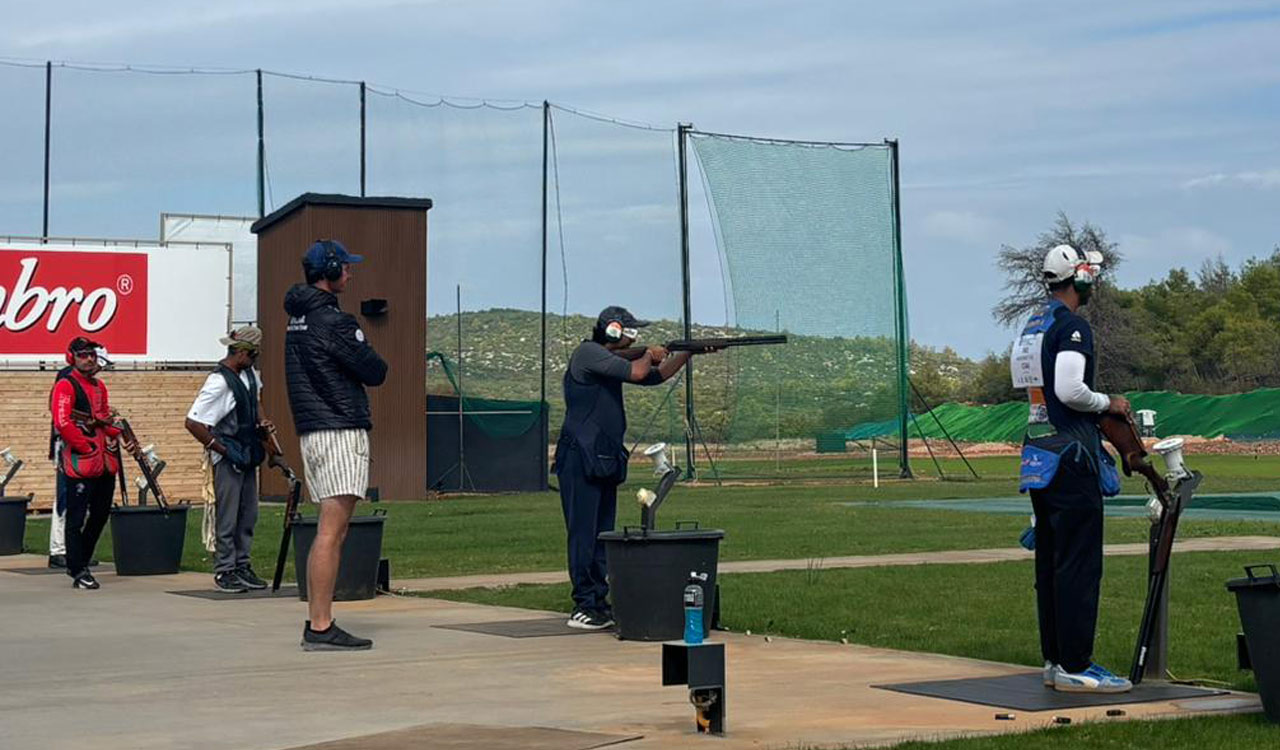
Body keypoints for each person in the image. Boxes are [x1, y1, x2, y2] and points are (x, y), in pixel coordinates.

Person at [1012, 244, 1130, 693]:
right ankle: (1077, 664)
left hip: (1039, 454)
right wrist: (1108, 403)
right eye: (1089, 274)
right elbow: (1070, 389)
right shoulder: (1072, 326)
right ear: (1077, 277)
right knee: (1079, 564)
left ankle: (1055, 660)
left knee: (1051, 562)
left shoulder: (1033, 325)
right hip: (1070, 456)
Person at [554, 306, 707, 630]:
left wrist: (687, 353)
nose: (634, 337)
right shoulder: (588, 353)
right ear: (612, 330)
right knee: (583, 535)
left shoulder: (608, 360)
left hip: (603, 458)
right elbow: (639, 372)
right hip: (580, 457)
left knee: (602, 534)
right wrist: (650, 354)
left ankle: (598, 602)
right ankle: (584, 605)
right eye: (629, 331)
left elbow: (656, 376)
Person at [284, 239, 387, 650]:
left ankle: (319, 620)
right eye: (345, 267)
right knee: (332, 530)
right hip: (339, 428)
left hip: (313, 430)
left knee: (329, 530)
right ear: (329, 271)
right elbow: (375, 370)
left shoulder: (297, 319)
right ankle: (321, 625)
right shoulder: (334, 321)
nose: (350, 272)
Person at [185, 325, 275, 593]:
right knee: (228, 515)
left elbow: (256, 401)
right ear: (244, 353)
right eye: (254, 355)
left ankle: (242, 565)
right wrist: (221, 449)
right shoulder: (219, 382)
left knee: (248, 514)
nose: (255, 360)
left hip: (247, 452)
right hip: (227, 455)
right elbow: (193, 423)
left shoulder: (248, 374)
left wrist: (263, 423)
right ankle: (225, 570)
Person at [50, 337, 134, 589]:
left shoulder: (99, 386)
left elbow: (104, 419)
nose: (88, 359)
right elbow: (63, 422)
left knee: (100, 514)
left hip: (103, 459)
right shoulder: (66, 384)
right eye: (83, 355)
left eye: (91, 355)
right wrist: (85, 447)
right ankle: (78, 569)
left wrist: (121, 435)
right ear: (72, 358)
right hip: (82, 459)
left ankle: (80, 561)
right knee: (75, 518)